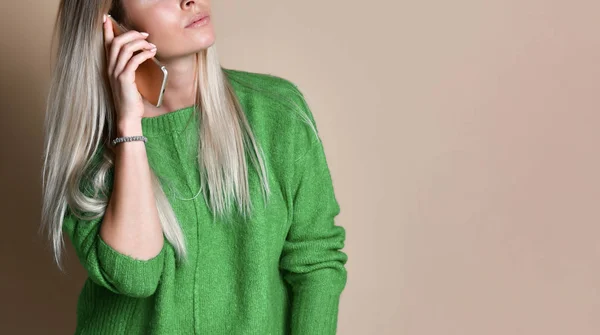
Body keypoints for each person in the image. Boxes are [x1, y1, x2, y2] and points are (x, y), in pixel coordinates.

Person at [40, 0, 348, 334]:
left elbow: (315, 264)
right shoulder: (94, 152)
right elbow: (134, 276)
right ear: (110, 24)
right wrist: (129, 126)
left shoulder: (277, 112)